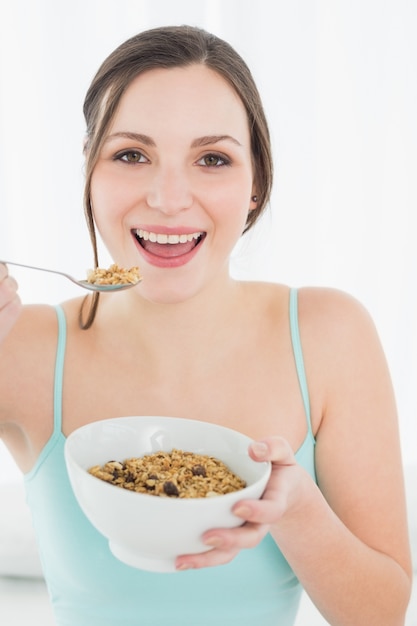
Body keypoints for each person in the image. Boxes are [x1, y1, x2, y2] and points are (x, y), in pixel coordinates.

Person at [0, 25, 412, 626]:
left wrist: (295, 510)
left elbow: (380, 614)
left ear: (255, 186)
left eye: (212, 158)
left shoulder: (329, 336)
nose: (169, 198)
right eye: (131, 155)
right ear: (90, 176)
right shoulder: (24, 346)